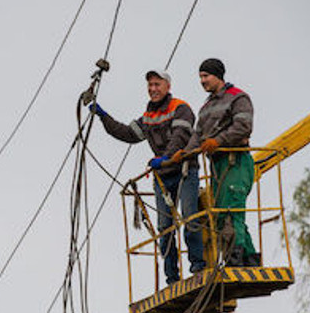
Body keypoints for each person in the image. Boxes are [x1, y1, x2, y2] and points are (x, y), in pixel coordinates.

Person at [89, 70, 205, 285]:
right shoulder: (149, 116)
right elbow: (127, 133)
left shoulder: (180, 108)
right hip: (162, 177)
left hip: (184, 171)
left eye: (157, 84)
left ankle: (198, 267)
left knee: (190, 217)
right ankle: (172, 278)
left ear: (167, 86)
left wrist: (166, 158)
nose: (153, 89)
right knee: (165, 226)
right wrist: (103, 116)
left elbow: (180, 137)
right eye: (150, 85)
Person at [180, 58, 259, 266]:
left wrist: (218, 141)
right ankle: (250, 259)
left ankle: (234, 258)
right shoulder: (206, 106)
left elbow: (243, 126)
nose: (202, 81)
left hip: (236, 161)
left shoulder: (238, 97)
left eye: (206, 76)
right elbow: (198, 135)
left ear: (218, 76)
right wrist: (182, 155)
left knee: (232, 210)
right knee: (221, 212)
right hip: (217, 165)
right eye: (200, 77)